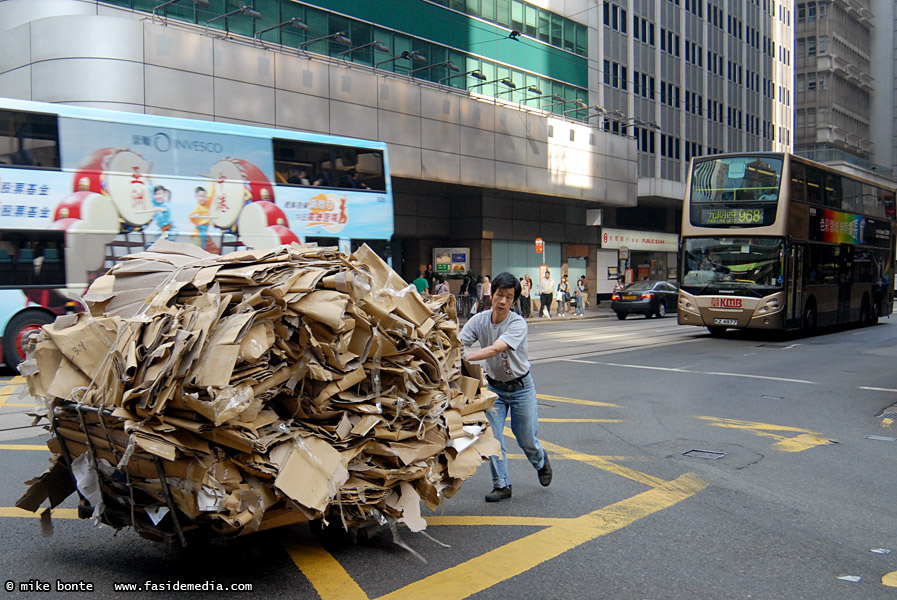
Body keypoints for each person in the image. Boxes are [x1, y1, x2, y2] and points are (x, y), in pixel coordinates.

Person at [460, 272, 552, 502]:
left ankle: (540, 460)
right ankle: (502, 485)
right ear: (492, 294)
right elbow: (458, 342)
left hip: (522, 388)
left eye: (509, 297)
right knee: (493, 438)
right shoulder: (479, 320)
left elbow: (495, 348)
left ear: (514, 301)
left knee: (526, 438)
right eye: (499, 294)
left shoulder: (518, 323)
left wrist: (467, 356)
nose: (502, 301)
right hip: (494, 390)